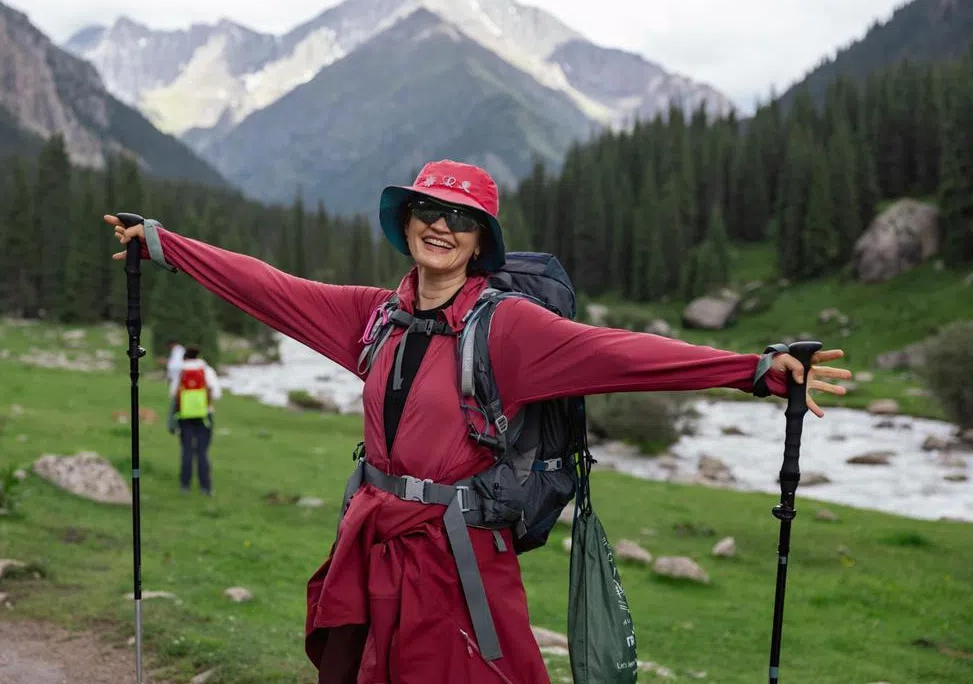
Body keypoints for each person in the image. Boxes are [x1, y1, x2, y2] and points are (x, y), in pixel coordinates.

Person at [104, 159, 850, 683]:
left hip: (458, 559)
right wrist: (166, 245)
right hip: (373, 545)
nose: (442, 225)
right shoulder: (374, 317)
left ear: (480, 239)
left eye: (461, 218)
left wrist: (753, 369)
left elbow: (621, 355)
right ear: (406, 221)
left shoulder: (509, 328)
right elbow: (271, 288)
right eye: (429, 210)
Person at [169, 343, 223, 495]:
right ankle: (205, 487)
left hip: (184, 416)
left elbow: (173, 394)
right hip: (204, 415)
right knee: (202, 451)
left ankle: (184, 485)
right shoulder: (206, 370)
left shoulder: (181, 372)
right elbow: (217, 394)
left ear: (185, 356)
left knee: (187, 450)